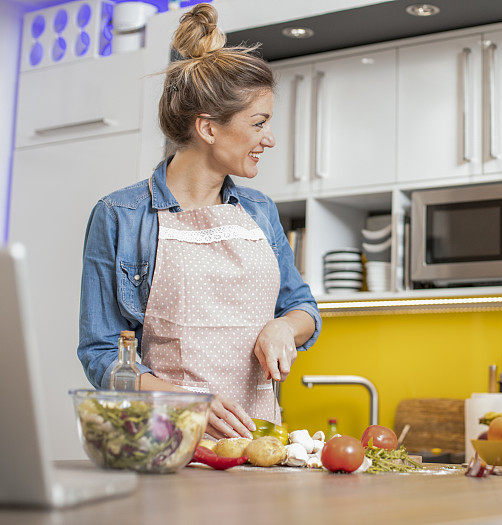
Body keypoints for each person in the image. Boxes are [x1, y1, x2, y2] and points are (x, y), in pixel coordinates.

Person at [77, 3, 321, 440]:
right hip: (162, 443)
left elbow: (304, 308)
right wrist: (186, 404)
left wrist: (284, 327)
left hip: (258, 443)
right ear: (208, 128)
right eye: (259, 123)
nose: (269, 138)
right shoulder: (120, 216)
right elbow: (102, 356)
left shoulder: (259, 211)